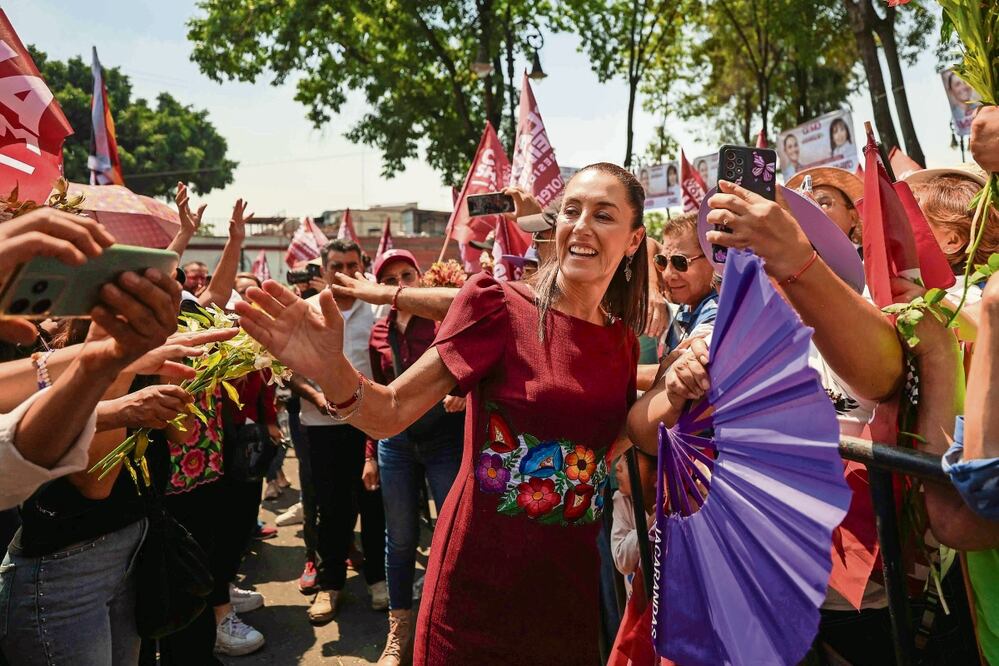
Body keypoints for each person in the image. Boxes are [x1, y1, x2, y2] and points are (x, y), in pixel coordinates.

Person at [235, 162, 648, 663]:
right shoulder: (498, 306)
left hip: (568, 595)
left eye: (603, 216)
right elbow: (389, 412)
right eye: (571, 211)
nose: (581, 226)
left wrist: (682, 376)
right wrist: (330, 367)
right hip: (477, 594)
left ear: (632, 241)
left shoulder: (622, 342)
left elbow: (614, 439)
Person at [0, 259, 188, 666]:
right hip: (66, 566)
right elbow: (96, 484)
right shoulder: (76, 355)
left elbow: (179, 434)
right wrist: (112, 371)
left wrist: (176, 383)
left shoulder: (142, 356)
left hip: (127, 547)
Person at [364, 249, 464, 666]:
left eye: (408, 274)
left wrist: (464, 391)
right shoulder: (377, 334)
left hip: (445, 441)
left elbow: (471, 370)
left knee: (450, 533)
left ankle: (448, 624)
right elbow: (373, 392)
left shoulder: (446, 321)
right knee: (401, 539)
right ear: (379, 287)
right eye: (390, 278)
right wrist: (371, 453)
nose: (401, 283)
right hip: (396, 445)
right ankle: (399, 629)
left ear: (423, 278)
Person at [292, 238, 386, 625]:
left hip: (371, 425)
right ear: (323, 271)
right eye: (337, 266)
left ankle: (379, 579)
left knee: (375, 504)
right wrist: (316, 397)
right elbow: (291, 375)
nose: (345, 273)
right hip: (322, 427)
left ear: (362, 265)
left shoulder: (378, 308)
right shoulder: (306, 312)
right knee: (331, 509)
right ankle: (330, 585)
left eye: (352, 264)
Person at [656, 211, 718, 354]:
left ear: (711, 258)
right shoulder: (688, 306)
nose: (668, 274)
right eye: (662, 261)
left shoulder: (717, 309)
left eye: (680, 262)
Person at [786, 167, 864, 246]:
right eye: (804, 207)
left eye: (824, 203)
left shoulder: (870, 256)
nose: (812, 212)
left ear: (853, 217)